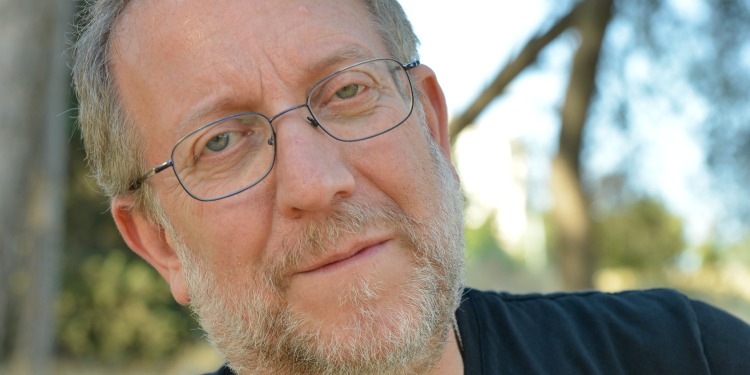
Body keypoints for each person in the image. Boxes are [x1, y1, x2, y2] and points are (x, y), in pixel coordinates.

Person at [72, 0, 750, 374]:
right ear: (158, 239)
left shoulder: (686, 356)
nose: (317, 181)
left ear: (430, 122)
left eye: (347, 91)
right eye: (220, 141)